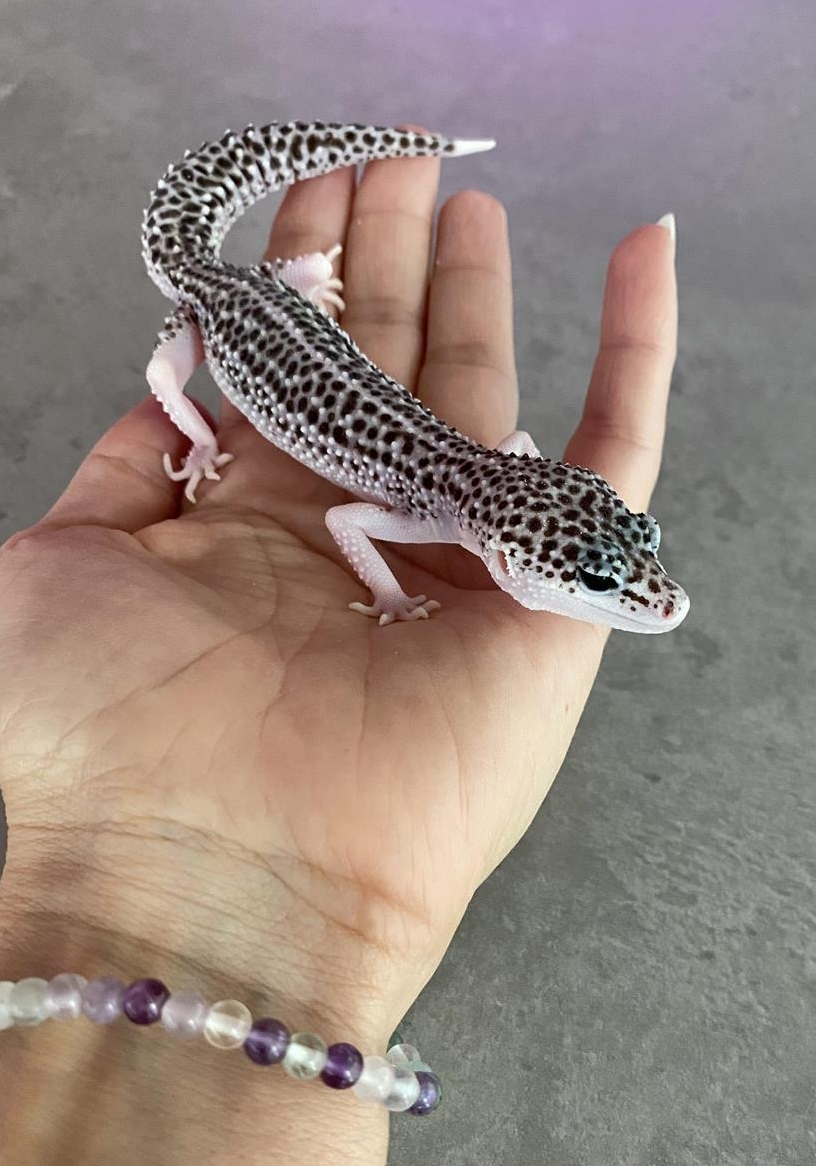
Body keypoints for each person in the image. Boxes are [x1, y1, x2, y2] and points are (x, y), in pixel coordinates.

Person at [0, 144, 678, 1163]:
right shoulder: (424, 505)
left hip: (274, 312)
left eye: (623, 566)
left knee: (279, 288)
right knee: (161, 373)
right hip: (232, 312)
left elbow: (530, 463)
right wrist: (200, 437)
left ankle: (297, 280)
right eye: (593, 579)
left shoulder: (488, 487)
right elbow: (352, 531)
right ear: (502, 544)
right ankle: (279, 298)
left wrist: (303, 291)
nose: (638, 602)